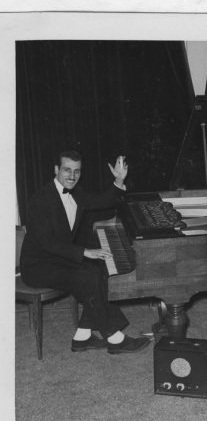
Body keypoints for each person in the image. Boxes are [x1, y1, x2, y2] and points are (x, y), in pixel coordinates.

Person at [20, 149, 151, 355]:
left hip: (60, 258)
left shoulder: (77, 192)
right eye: (67, 170)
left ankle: (82, 336)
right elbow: (46, 243)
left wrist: (118, 181)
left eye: (77, 171)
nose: (72, 176)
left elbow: (101, 201)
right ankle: (114, 338)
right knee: (88, 278)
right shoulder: (40, 199)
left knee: (100, 269)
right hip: (38, 266)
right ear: (56, 170)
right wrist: (84, 252)